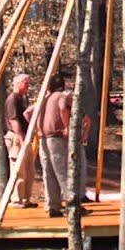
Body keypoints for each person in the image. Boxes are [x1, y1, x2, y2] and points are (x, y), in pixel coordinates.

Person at [35, 74, 89, 217]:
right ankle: (72, 205)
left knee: (49, 173)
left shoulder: (44, 98)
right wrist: (67, 127)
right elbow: (63, 109)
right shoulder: (60, 96)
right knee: (63, 172)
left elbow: (29, 113)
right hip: (57, 138)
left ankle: (53, 206)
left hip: (44, 139)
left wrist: (39, 128)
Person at [3, 73, 37, 208]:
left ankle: (26, 198)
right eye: (26, 83)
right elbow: (13, 119)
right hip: (17, 137)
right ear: (18, 83)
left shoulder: (21, 99)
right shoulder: (12, 99)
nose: (28, 86)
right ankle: (16, 199)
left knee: (29, 170)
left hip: (25, 136)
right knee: (19, 170)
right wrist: (21, 137)